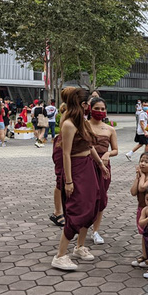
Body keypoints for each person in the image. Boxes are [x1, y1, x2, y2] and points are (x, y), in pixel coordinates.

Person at [51, 87, 109, 271]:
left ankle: (79, 247)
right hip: (76, 169)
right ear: (83, 105)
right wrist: (68, 181)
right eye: (89, 104)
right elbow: (66, 154)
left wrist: (100, 164)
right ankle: (60, 255)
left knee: (92, 206)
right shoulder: (68, 123)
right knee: (77, 210)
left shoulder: (81, 122)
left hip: (88, 167)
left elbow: (90, 146)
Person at [88, 97, 118, 245]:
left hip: (105, 167)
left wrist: (107, 154)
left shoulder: (110, 129)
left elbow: (116, 150)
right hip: (87, 165)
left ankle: (95, 231)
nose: (100, 111)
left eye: (103, 109)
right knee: (87, 198)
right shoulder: (84, 126)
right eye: (97, 108)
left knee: (101, 198)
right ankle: (81, 226)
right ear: (90, 108)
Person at [49, 103, 67, 228]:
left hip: (68, 145)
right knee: (61, 179)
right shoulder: (68, 113)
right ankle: (57, 212)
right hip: (63, 145)